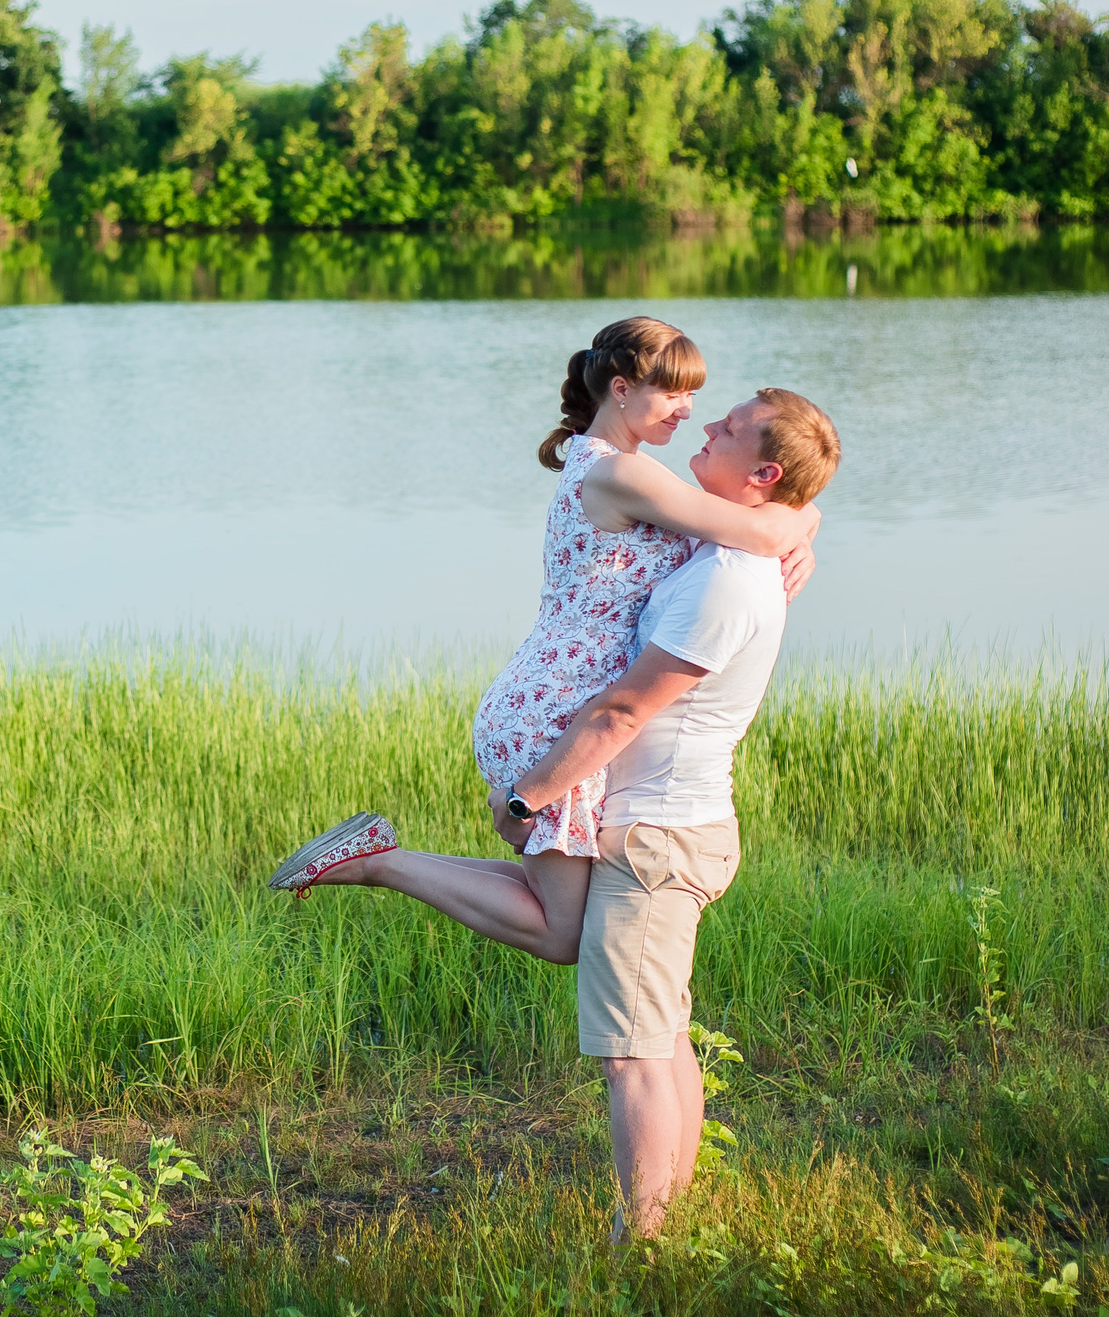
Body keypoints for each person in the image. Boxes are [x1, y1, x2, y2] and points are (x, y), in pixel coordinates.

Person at [276, 383, 843, 1239]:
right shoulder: (722, 550)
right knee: (655, 1030)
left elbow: (622, 711)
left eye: (727, 427)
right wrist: (806, 525)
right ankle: (668, 1229)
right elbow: (776, 520)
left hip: (655, 834)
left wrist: (527, 795)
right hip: (668, 825)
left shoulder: (723, 582)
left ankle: (641, 1251)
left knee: (632, 1052)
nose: (706, 423)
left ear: (760, 472)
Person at [265, 314, 816, 958]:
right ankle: (378, 863)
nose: (688, 412)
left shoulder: (613, 465)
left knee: (563, 910)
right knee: (565, 933)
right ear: (619, 389)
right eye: (673, 393)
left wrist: (804, 520)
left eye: (692, 395)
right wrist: (806, 524)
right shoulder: (624, 476)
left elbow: (758, 515)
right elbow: (763, 528)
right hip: (560, 710)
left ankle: (378, 856)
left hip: (552, 696)